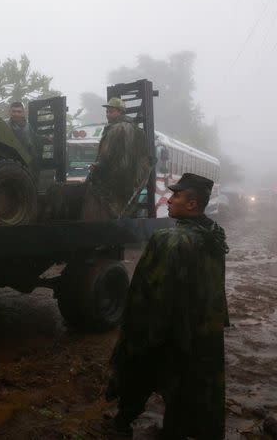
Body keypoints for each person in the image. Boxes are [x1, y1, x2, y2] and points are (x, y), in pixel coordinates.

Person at [104, 172, 230, 440]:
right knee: (186, 387)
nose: (169, 200)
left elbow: (148, 293)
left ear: (192, 204)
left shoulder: (169, 240)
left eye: (176, 195)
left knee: (138, 372)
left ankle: (122, 423)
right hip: (201, 332)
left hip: (166, 331)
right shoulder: (215, 236)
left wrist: (138, 335)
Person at [81, 97, 150, 220]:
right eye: (107, 112)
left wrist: (96, 167)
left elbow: (106, 156)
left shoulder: (115, 129)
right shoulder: (139, 132)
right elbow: (145, 159)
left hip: (111, 185)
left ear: (120, 112)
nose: (107, 115)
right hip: (130, 185)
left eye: (111, 111)